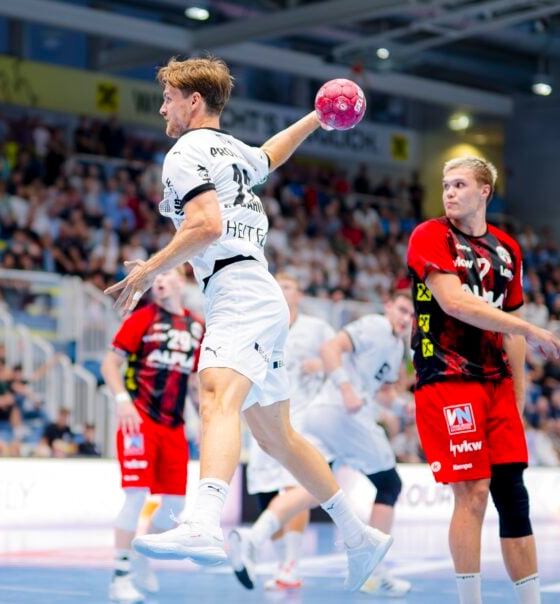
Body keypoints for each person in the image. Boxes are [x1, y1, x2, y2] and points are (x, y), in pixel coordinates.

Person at [105, 55, 391, 591]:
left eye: (168, 97)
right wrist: (316, 118)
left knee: (215, 393)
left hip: (238, 290)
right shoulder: (230, 150)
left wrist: (148, 269)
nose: (162, 106)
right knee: (276, 435)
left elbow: (207, 225)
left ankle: (203, 523)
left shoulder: (185, 151)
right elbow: (269, 155)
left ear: (193, 102)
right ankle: (359, 537)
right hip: (256, 290)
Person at [406, 156, 560, 604]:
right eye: (445, 185)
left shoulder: (508, 250)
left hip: (496, 384)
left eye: (459, 184)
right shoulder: (430, 235)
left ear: (485, 192)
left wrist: (516, 397)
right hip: (447, 378)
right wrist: (531, 329)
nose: (450, 192)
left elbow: (509, 327)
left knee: (513, 495)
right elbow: (454, 302)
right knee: (473, 493)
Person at [232, 290, 415, 596]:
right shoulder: (374, 325)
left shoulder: (397, 348)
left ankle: (253, 538)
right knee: (390, 485)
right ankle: (375, 571)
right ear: (387, 307)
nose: (405, 318)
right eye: (401, 310)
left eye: (411, 315)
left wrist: (402, 407)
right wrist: (345, 388)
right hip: (340, 412)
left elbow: (383, 392)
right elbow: (331, 348)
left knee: (310, 489)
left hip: (325, 415)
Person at [101, 267, 203, 603]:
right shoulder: (142, 318)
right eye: (154, 276)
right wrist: (121, 401)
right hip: (139, 421)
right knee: (136, 496)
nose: (157, 279)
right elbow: (109, 364)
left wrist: (203, 419)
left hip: (174, 427)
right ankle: (120, 576)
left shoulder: (197, 327)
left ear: (181, 282)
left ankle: (143, 555)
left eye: (165, 273)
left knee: (176, 507)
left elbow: (193, 382)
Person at [243, 272, 336, 591]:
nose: (282, 291)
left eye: (289, 287)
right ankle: (283, 564)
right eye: (277, 286)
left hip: (304, 420)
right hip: (265, 419)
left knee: (294, 490)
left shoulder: (317, 328)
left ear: (299, 295)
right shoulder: (260, 325)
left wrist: (323, 365)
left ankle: (289, 563)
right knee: (267, 492)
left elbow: (339, 357)